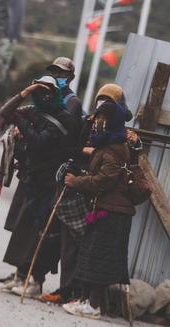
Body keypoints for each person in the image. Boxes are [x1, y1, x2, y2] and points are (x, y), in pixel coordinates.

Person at [0, 76, 77, 299]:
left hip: (49, 185)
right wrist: (25, 92)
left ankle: (35, 280)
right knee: (23, 228)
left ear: (55, 94)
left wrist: (22, 124)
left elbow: (38, 141)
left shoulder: (63, 118)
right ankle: (20, 275)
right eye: (40, 91)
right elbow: (5, 112)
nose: (44, 95)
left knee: (41, 233)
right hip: (32, 180)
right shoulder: (34, 110)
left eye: (48, 91)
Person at [61, 83, 136, 320]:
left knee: (100, 260)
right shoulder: (105, 141)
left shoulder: (115, 146)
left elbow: (105, 180)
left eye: (102, 117)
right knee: (91, 256)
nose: (97, 120)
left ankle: (93, 307)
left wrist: (77, 182)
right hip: (103, 208)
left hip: (114, 212)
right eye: (97, 116)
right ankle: (86, 301)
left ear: (113, 119)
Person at [40, 57, 84, 305]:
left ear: (70, 77)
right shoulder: (47, 99)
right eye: (54, 71)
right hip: (44, 173)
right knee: (45, 231)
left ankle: (66, 290)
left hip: (60, 174)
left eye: (61, 72)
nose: (57, 75)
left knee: (61, 234)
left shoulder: (72, 103)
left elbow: (63, 138)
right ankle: (34, 276)